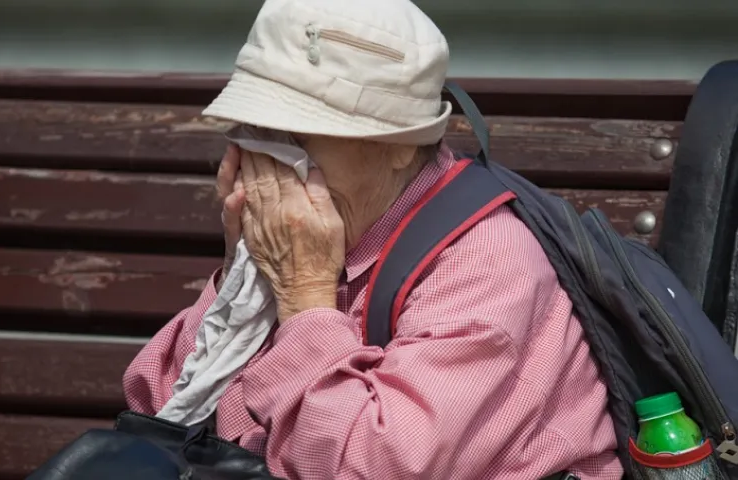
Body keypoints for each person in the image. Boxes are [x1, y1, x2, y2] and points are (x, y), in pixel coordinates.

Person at [124, 0, 623, 478]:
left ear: (400, 148)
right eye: (255, 129)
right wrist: (242, 274)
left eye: (298, 136)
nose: (269, 165)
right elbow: (159, 413)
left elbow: (366, 469)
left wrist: (303, 298)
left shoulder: (485, 265)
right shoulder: (310, 238)